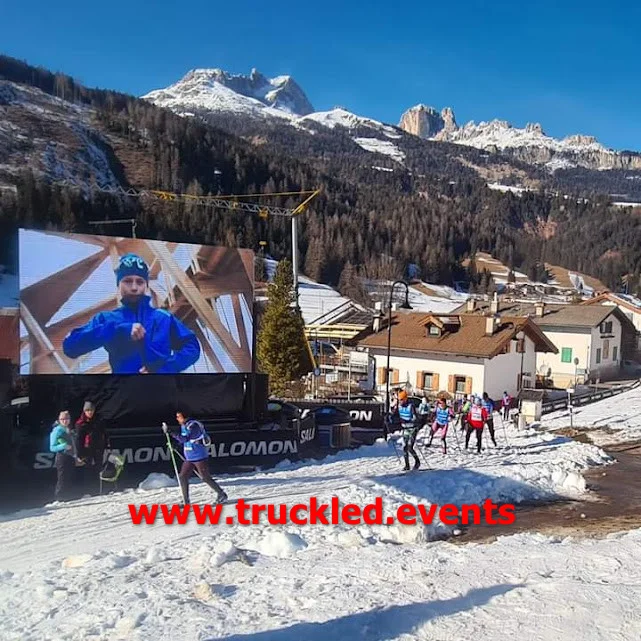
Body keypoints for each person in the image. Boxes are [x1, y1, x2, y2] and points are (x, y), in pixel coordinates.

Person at [62, 253, 201, 374]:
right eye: (127, 281)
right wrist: (117, 330)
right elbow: (70, 347)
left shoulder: (163, 317)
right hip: (124, 393)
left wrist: (166, 368)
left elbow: (192, 346)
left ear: (146, 285)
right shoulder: (106, 319)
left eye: (140, 282)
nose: (134, 287)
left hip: (164, 393)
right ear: (119, 284)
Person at [164, 411, 227, 505]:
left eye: (179, 417)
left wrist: (171, 432)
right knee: (183, 476)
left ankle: (221, 494)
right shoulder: (184, 425)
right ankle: (186, 500)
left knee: (205, 477)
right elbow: (184, 440)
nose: (177, 419)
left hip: (199, 456)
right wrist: (176, 445)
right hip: (189, 457)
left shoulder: (194, 426)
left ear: (184, 416)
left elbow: (186, 438)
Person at [75, 401, 109, 491]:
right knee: (87, 469)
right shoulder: (80, 423)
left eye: (91, 410)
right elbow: (79, 439)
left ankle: (99, 488)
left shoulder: (99, 420)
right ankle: (88, 489)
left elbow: (104, 433)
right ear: (84, 411)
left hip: (98, 448)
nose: (90, 412)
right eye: (88, 410)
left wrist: (107, 445)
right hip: (87, 449)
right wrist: (79, 454)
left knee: (99, 468)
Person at [49, 410, 77, 501]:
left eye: (67, 419)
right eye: (62, 419)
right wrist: (63, 446)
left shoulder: (69, 429)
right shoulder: (57, 430)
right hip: (62, 457)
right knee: (62, 478)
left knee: (69, 477)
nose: (65, 421)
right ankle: (59, 497)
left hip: (70, 456)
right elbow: (52, 447)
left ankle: (68, 497)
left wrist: (75, 455)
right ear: (59, 420)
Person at [396, 391, 421, 471]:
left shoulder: (411, 406)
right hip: (405, 429)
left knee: (410, 447)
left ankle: (417, 462)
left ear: (405, 399)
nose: (400, 401)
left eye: (401, 400)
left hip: (412, 428)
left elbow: (415, 418)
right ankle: (407, 465)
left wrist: (407, 421)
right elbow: (395, 416)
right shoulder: (399, 406)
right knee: (404, 447)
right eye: (399, 400)